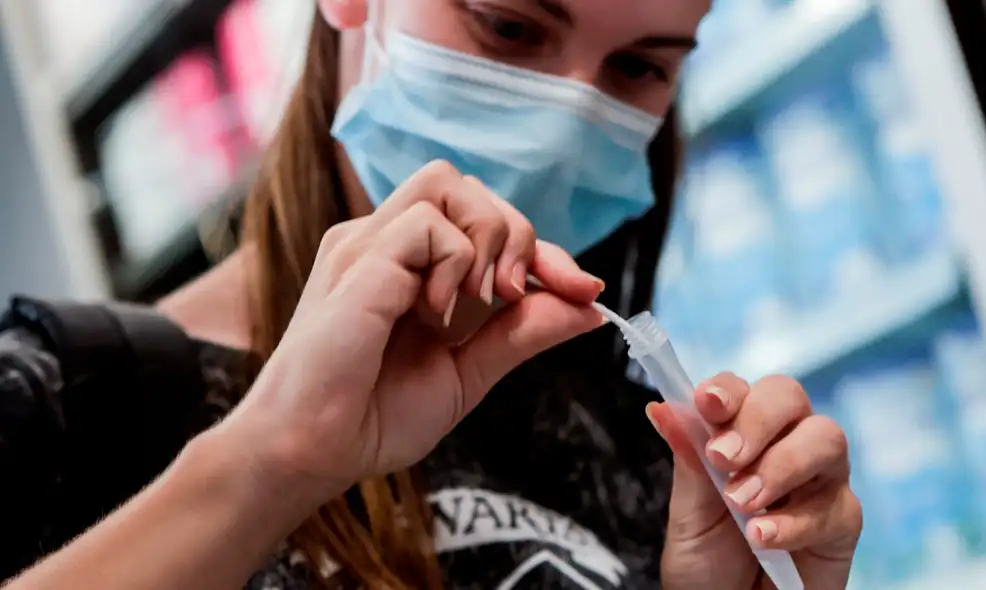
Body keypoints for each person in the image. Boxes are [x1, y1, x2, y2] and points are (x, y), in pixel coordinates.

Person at [0, 0, 862, 589]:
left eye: (638, 65)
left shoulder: (642, 448)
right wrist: (269, 463)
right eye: (508, 25)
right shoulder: (58, 399)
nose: (565, 127)